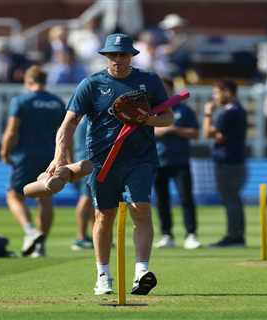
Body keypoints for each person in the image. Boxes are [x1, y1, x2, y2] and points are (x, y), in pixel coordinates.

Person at [46, 33, 173, 295]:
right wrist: (60, 155)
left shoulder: (148, 81)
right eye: (113, 55)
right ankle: (103, 275)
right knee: (105, 216)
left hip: (140, 158)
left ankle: (141, 272)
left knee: (141, 209)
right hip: (102, 160)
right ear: (105, 56)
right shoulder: (91, 84)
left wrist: (148, 120)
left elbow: (168, 116)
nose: (118, 60)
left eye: (123, 54)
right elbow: (69, 122)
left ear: (131, 56)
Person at [0, 65, 66, 257]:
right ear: (45, 81)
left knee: (14, 195)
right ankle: (40, 246)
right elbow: (64, 133)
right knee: (45, 199)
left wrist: (5, 152)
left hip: (25, 156)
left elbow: (12, 130)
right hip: (50, 156)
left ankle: (30, 231)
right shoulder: (56, 102)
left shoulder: (21, 101)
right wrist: (65, 156)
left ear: (27, 81)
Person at [153, 78, 200, 250]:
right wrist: (162, 130)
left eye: (166, 89)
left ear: (172, 90)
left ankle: (191, 234)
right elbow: (146, 129)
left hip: (180, 161)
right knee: (161, 200)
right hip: (158, 161)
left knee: (186, 198)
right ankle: (167, 235)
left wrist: (173, 130)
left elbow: (195, 133)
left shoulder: (184, 111)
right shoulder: (154, 110)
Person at [202, 80, 247, 247]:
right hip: (234, 161)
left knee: (231, 200)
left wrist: (207, 113)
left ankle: (235, 236)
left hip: (229, 162)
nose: (214, 97)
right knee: (232, 199)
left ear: (227, 92)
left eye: (216, 93)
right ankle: (236, 235)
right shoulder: (237, 110)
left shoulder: (229, 112)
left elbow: (209, 133)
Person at [71, 117, 95, 250]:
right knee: (86, 197)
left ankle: (93, 234)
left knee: (91, 198)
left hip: (82, 159)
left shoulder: (81, 118)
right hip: (87, 161)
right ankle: (80, 237)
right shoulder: (88, 118)